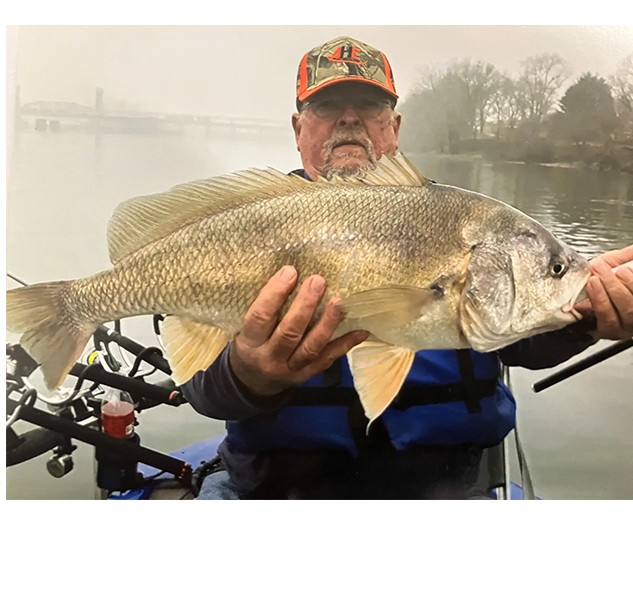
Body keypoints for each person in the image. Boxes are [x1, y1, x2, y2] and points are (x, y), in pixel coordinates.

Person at [181, 35, 633, 500]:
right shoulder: (242, 225)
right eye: (328, 104)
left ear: (393, 127)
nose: (350, 117)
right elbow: (200, 390)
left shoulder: (471, 227)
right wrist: (248, 374)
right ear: (299, 130)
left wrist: (586, 315)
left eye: (370, 106)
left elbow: (521, 341)